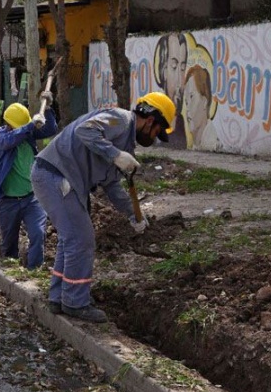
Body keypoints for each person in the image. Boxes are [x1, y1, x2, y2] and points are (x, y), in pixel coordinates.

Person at [31, 92, 176, 323]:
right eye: (158, 130)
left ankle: (59, 298)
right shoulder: (120, 119)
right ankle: (75, 303)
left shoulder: (124, 141)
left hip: (59, 179)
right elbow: (84, 130)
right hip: (56, 175)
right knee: (81, 238)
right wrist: (115, 154)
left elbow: (112, 185)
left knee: (70, 240)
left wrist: (133, 214)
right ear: (150, 121)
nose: (155, 137)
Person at [0, 93, 58, 269]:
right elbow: (9, 141)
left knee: (38, 233)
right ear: (8, 124)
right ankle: (10, 271)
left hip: (32, 197)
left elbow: (50, 130)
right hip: (9, 201)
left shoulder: (28, 134)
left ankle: (34, 271)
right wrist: (29, 125)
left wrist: (47, 108)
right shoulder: (0, 137)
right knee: (9, 243)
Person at [183, 65, 220, 151]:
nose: (187, 108)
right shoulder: (197, 145)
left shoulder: (211, 144)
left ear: (205, 101)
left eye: (192, 97)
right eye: (186, 101)